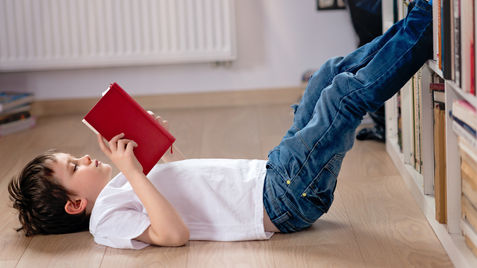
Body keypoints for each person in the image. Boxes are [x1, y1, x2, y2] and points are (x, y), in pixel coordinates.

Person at [8, 0, 433, 249]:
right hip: (281, 200)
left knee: (325, 76)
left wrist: (151, 149)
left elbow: (191, 191)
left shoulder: (125, 187)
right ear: (74, 205)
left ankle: (416, 20)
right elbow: (173, 234)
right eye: (74, 167)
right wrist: (135, 172)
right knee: (341, 95)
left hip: (273, 175)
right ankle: (428, 23)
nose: (85, 157)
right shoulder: (105, 224)